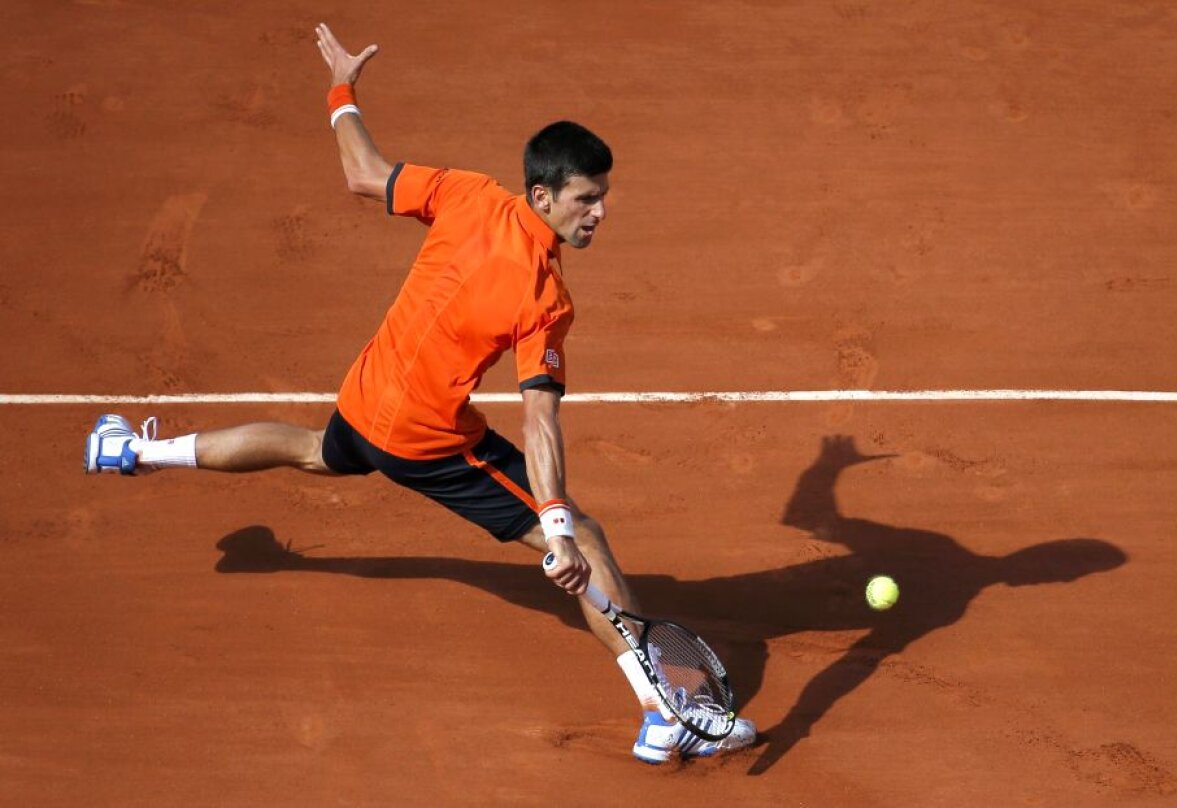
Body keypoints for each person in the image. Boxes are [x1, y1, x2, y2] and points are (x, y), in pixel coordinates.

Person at [84, 23, 754, 763]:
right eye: (587, 199)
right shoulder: (544, 297)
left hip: (366, 396)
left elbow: (362, 173)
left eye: (604, 197)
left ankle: (131, 450)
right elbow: (539, 422)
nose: (600, 212)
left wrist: (341, 90)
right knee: (589, 541)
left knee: (313, 450)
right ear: (543, 195)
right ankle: (664, 713)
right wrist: (558, 526)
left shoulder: (468, 193)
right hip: (426, 443)